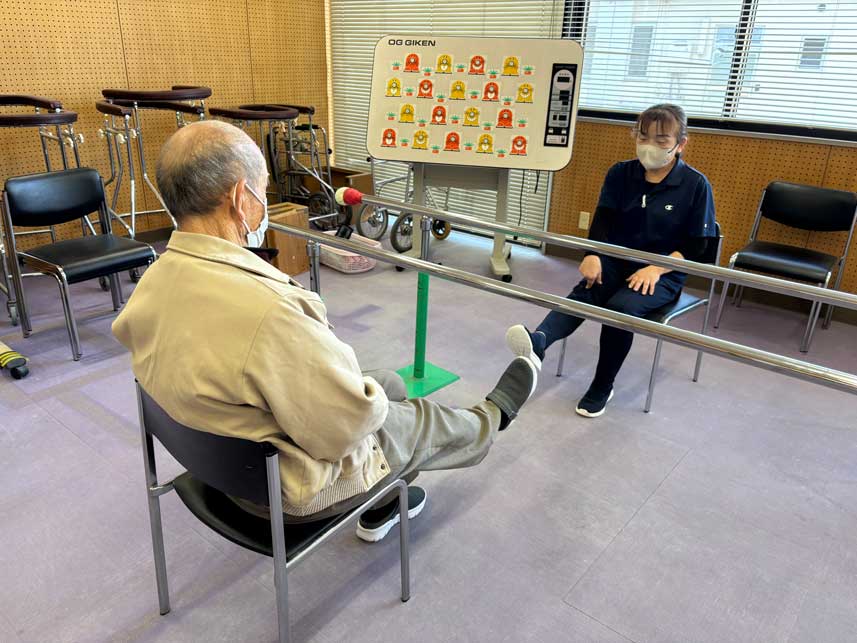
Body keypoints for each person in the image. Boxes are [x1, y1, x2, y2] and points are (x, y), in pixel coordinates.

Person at [113, 120, 538, 542]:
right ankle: (492, 418)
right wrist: (368, 399)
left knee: (389, 384)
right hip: (281, 493)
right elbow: (347, 429)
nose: (263, 204)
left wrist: (365, 389)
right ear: (241, 198)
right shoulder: (271, 309)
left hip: (216, 458)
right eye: (262, 191)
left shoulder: (154, 281)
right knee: (414, 419)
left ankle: (383, 504)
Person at [506, 104, 716, 418]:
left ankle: (603, 385)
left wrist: (657, 268)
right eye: (643, 137)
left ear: (681, 143)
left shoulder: (696, 185)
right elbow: (602, 222)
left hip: (663, 272)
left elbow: (699, 246)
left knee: (621, 309)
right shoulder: (621, 173)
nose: (650, 146)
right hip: (616, 260)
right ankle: (538, 342)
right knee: (588, 291)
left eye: (661, 140)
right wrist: (592, 254)